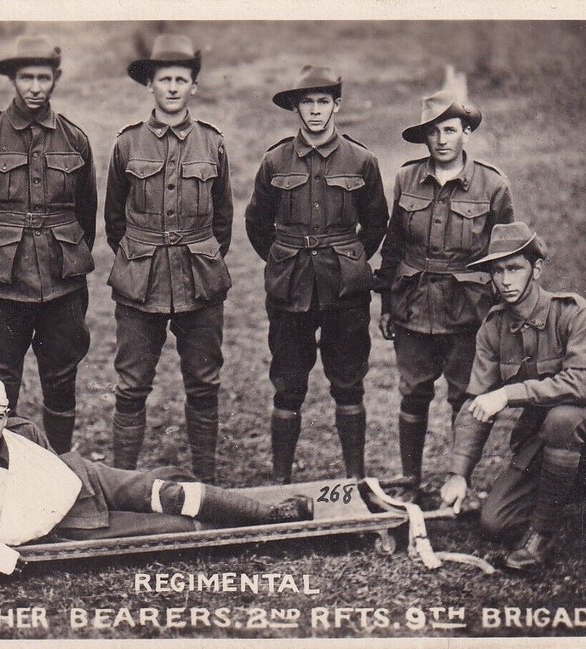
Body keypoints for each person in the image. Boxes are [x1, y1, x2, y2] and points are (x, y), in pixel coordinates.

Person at [0, 376, 314, 574]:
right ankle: (218, 511)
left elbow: (53, 480)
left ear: (5, 415)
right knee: (170, 527)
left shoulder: (22, 432)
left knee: (168, 493)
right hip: (63, 524)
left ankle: (270, 515)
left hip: (83, 478)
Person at [439, 222, 586, 571]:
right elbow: (476, 404)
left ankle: (541, 538)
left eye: (515, 268)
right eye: (497, 271)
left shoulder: (573, 313)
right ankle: (585, 487)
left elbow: (581, 386)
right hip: (547, 438)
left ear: (537, 269)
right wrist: (459, 473)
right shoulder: (493, 328)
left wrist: (508, 394)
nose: (506, 280)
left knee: (563, 418)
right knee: (495, 522)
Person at [244, 65, 388, 484]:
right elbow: (257, 224)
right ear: (295, 107)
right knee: (288, 384)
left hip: (345, 290)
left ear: (336, 105)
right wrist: (283, 260)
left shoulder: (362, 160)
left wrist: (350, 261)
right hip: (290, 288)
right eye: (307, 102)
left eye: (323, 101)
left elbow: (376, 223)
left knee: (349, 382)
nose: (315, 110)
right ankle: (281, 482)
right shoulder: (275, 161)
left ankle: (354, 479)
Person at [0, 35, 97, 454]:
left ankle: (62, 465)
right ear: (12, 80)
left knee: (61, 379)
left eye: (43, 78)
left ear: (56, 79)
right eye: (26, 77)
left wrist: (65, 253)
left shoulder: (74, 139)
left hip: (62, 283)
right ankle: (5, 470)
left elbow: (86, 214)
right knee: (1, 386)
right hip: (1, 286)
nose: (35, 87)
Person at [104, 34, 234, 483]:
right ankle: (121, 484)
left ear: (194, 85)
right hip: (141, 281)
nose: (173, 87)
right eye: (165, 79)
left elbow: (222, 219)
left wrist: (202, 256)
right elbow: (114, 220)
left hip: (201, 280)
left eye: (181, 79)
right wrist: (140, 258)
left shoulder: (213, 143)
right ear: (150, 85)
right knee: (131, 386)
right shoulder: (127, 144)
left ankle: (207, 480)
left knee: (204, 383)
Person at [375, 90, 514, 502]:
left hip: (467, 312)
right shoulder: (407, 179)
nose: (441, 140)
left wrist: (500, 315)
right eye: (433, 132)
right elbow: (394, 246)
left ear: (466, 133)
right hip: (413, 306)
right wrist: (387, 305)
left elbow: (506, 256)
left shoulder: (492, 184)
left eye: (450, 130)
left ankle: (459, 481)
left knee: (464, 398)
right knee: (413, 394)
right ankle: (409, 482)